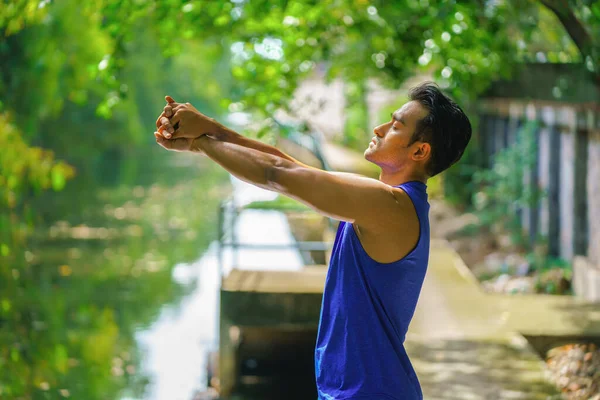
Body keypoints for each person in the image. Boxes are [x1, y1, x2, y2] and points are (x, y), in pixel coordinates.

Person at [154, 82, 471, 400]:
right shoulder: (387, 200)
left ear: (419, 151)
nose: (379, 127)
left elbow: (276, 173)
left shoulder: (391, 206)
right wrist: (210, 131)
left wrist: (203, 143)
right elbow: (286, 162)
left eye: (395, 126)